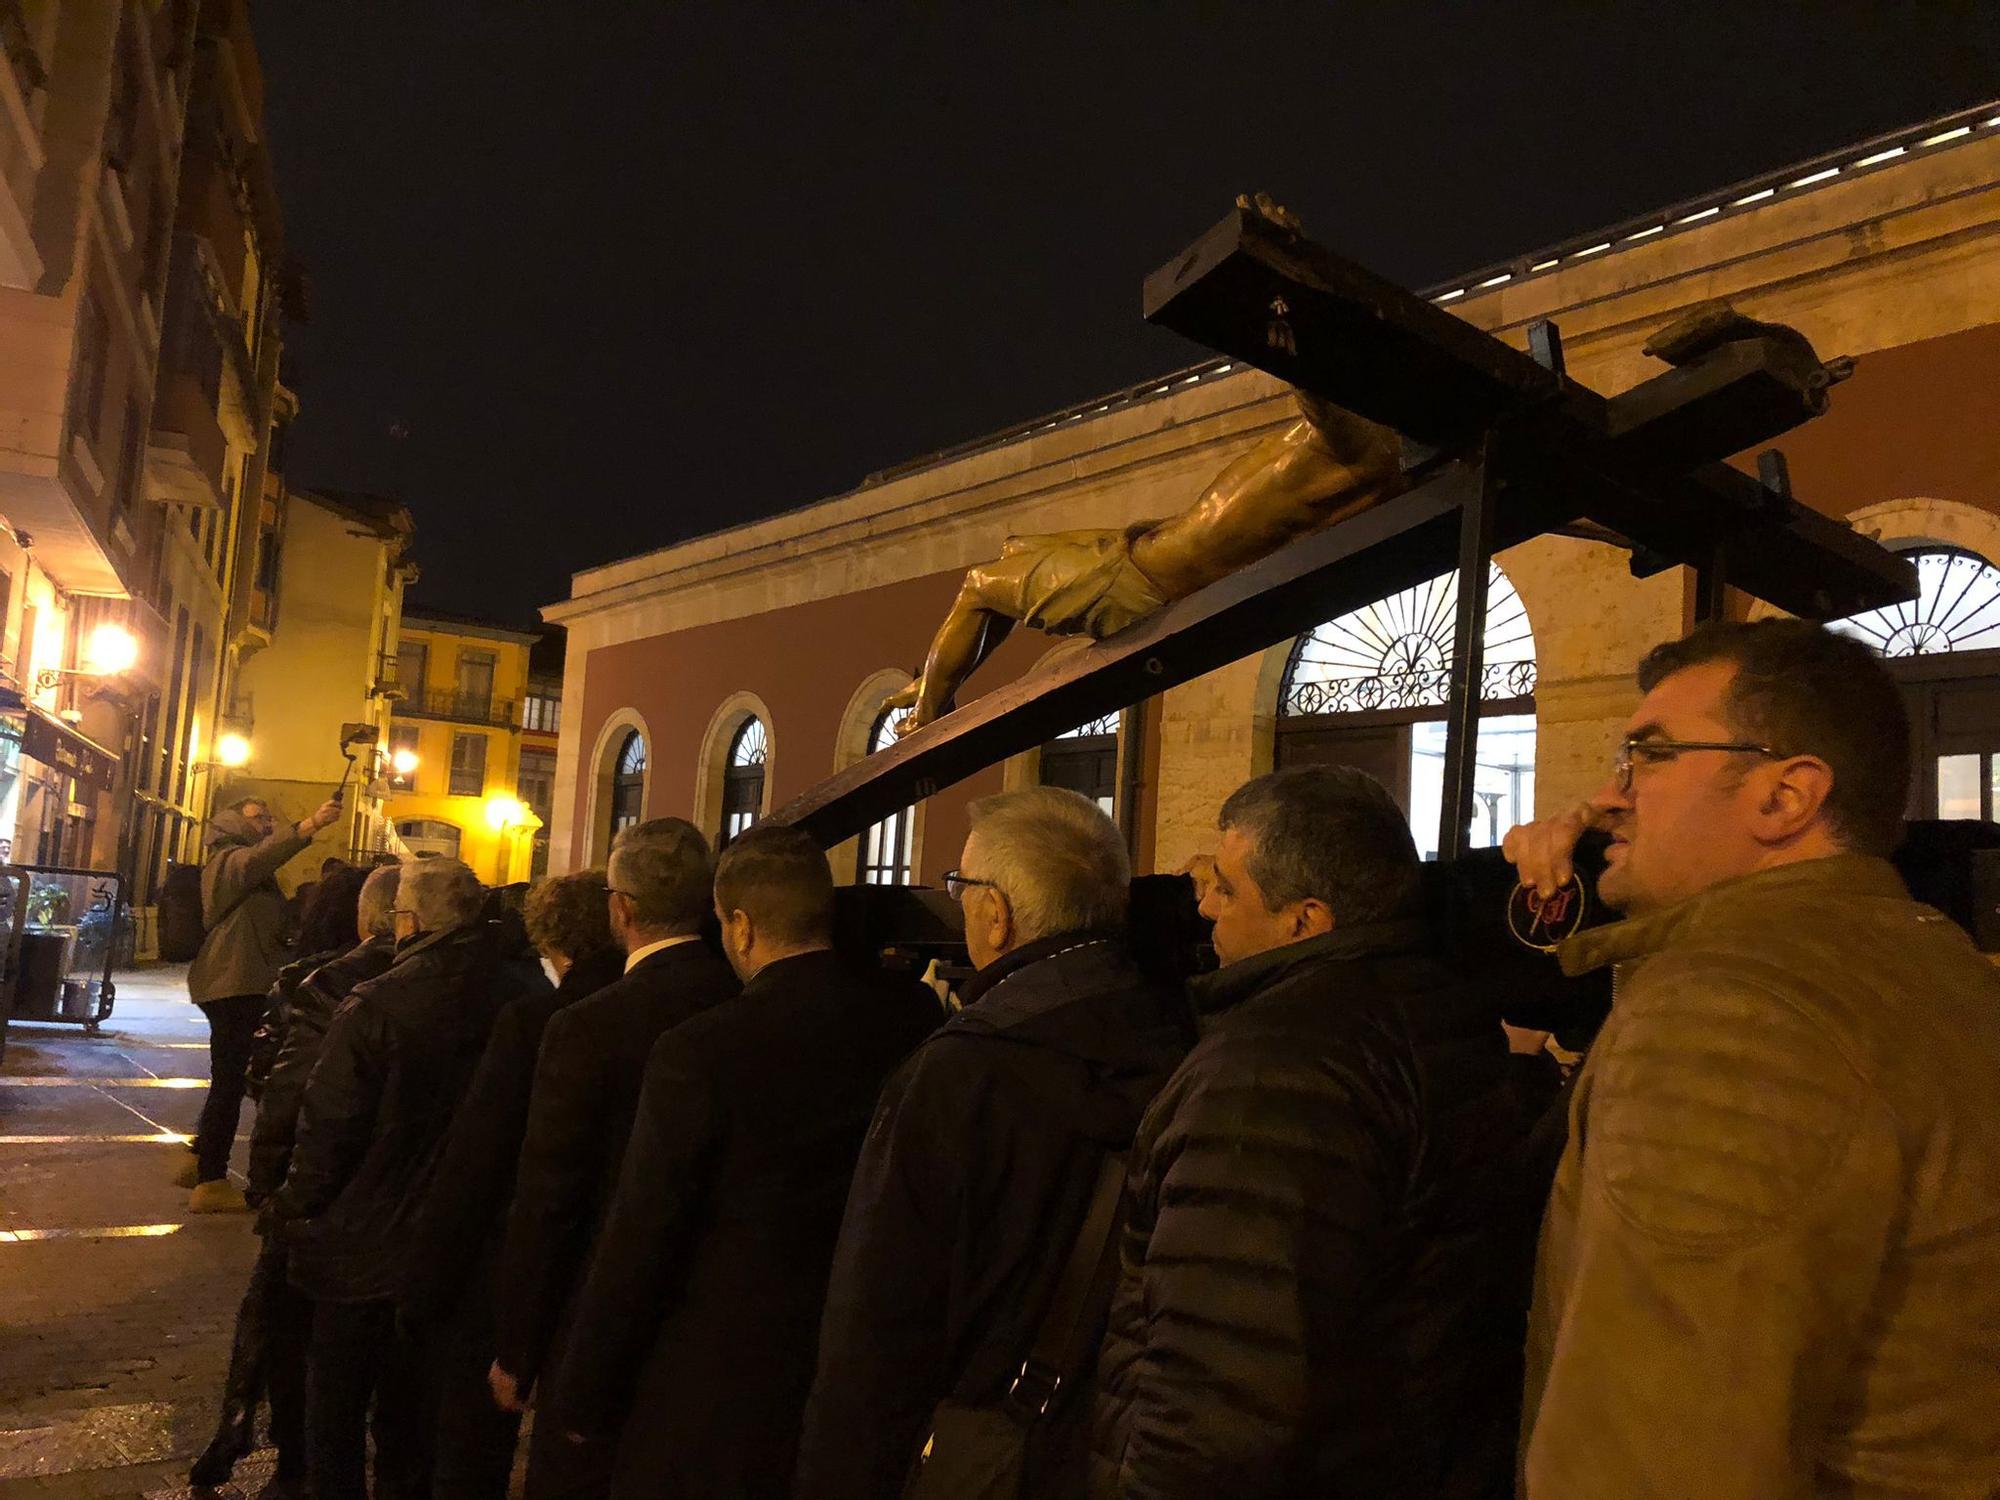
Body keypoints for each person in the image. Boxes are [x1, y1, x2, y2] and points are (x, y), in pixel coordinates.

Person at [1500, 619, 2000, 1498]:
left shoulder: (1733, 1015)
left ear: (1784, 797)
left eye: (1647, 757)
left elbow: (1657, 1458)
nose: (1608, 798)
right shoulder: (1928, 962)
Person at [1091, 767, 1537, 1499]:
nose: (1204, 907)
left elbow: (1223, 1386)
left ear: (1305, 919)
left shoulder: (1274, 1071)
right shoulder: (1440, 1013)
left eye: (1228, 888)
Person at [795, 786, 1189, 1500]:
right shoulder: (1184, 1034)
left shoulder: (961, 1071)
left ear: (996, 913)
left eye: (962, 885)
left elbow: (879, 1326)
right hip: (1116, 1443)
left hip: (984, 1446)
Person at [541, 825, 939, 1498]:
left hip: (717, 1382)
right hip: (854, 1362)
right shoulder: (908, 1020)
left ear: (743, 926)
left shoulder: (702, 1051)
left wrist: (585, 1391)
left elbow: (642, 1233)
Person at [265, 858, 546, 1500]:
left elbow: (329, 1123)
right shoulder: (528, 992)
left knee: (335, 1403)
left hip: (364, 1242)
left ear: (409, 920)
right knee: (415, 1412)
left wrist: (294, 1207)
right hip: (465, 1245)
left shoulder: (380, 1001)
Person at [489, 819, 738, 1500]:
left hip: (593, 1320)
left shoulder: (587, 1026)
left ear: (620, 909)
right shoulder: (738, 1001)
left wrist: (519, 1345)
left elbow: (550, 1196)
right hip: (712, 1329)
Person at [401, 871, 627, 1500]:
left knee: (471, 1450)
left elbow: (479, 1164)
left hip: (512, 1271)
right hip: (608, 1274)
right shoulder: (654, 1007)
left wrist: (427, 1281)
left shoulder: (536, 1022)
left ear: (547, 937)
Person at [192, 864, 383, 1495]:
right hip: (375, 1197)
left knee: (296, 1333)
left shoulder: (312, 981)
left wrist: (273, 1192)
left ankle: (298, 1462)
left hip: (314, 1190)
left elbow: (273, 1087)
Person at [181, 792, 344, 1211]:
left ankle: (200, 1159)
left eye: (269, 817)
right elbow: (259, 860)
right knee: (231, 1081)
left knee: (229, 1077)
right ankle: (212, 1180)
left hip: (237, 981)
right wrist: (310, 825)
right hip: (234, 983)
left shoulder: (235, 864)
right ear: (232, 822)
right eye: (257, 817)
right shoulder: (228, 860)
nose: (266, 824)